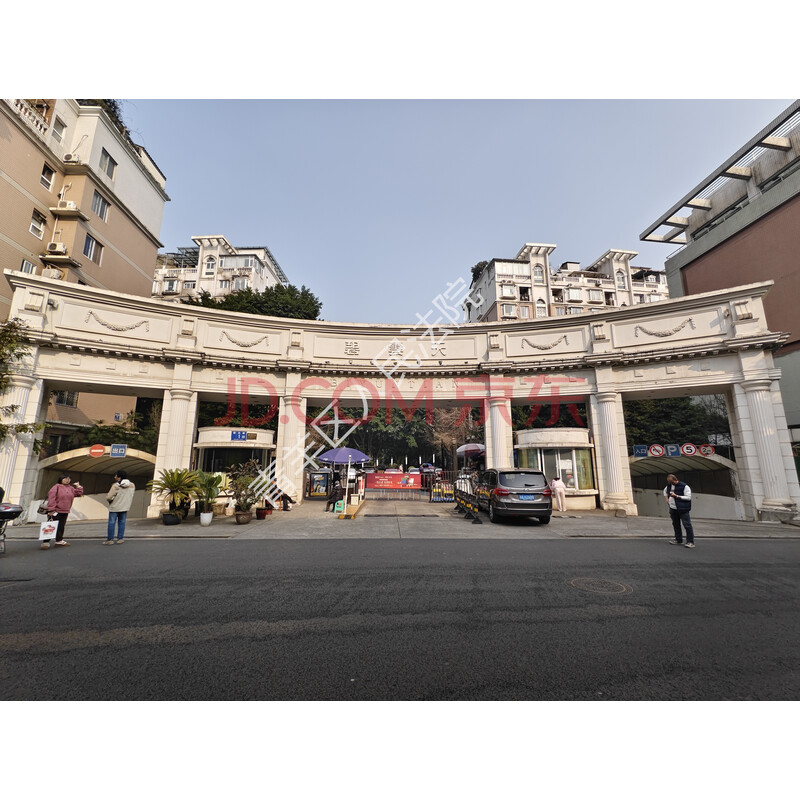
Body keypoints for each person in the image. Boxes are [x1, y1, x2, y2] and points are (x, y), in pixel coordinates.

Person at [44, 473, 84, 549]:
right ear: (61, 479)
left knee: (61, 526)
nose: (67, 480)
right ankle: (46, 542)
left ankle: (59, 541)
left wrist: (78, 486)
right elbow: (51, 498)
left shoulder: (71, 488)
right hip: (55, 511)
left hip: (65, 510)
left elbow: (78, 493)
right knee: (51, 526)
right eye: (65, 478)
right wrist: (51, 509)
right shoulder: (56, 487)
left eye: (69, 479)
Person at [664, 473, 695, 548]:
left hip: (683, 508)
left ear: (676, 479)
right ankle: (678, 539)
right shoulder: (669, 486)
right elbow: (665, 491)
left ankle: (690, 542)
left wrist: (677, 496)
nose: (670, 483)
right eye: (669, 482)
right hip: (673, 508)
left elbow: (688, 497)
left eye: (672, 482)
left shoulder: (685, 486)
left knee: (687, 525)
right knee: (675, 524)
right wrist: (667, 499)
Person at [105, 470, 135, 544]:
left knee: (112, 523)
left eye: (116, 476)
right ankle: (120, 538)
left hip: (114, 507)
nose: (114, 477)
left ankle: (110, 540)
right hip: (125, 507)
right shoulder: (132, 485)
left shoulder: (116, 486)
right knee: (122, 522)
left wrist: (110, 500)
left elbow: (109, 497)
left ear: (119, 477)